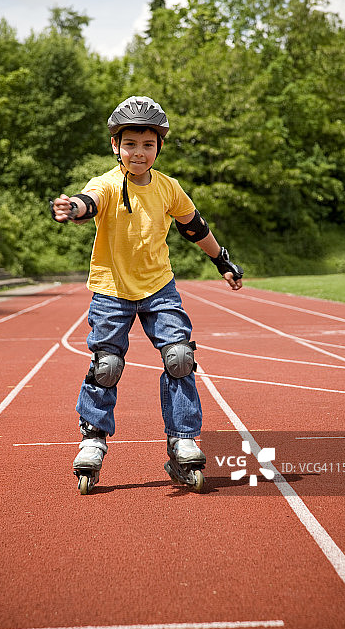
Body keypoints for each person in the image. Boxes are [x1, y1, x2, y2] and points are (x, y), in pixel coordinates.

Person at [51, 95, 243, 493]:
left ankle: (182, 438)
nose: (139, 152)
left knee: (179, 357)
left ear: (159, 146)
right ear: (116, 146)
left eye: (148, 144)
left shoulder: (168, 188)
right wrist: (75, 207)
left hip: (159, 288)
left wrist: (222, 260)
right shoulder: (105, 183)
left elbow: (194, 227)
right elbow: (91, 202)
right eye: (131, 144)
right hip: (111, 290)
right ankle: (93, 437)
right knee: (106, 364)